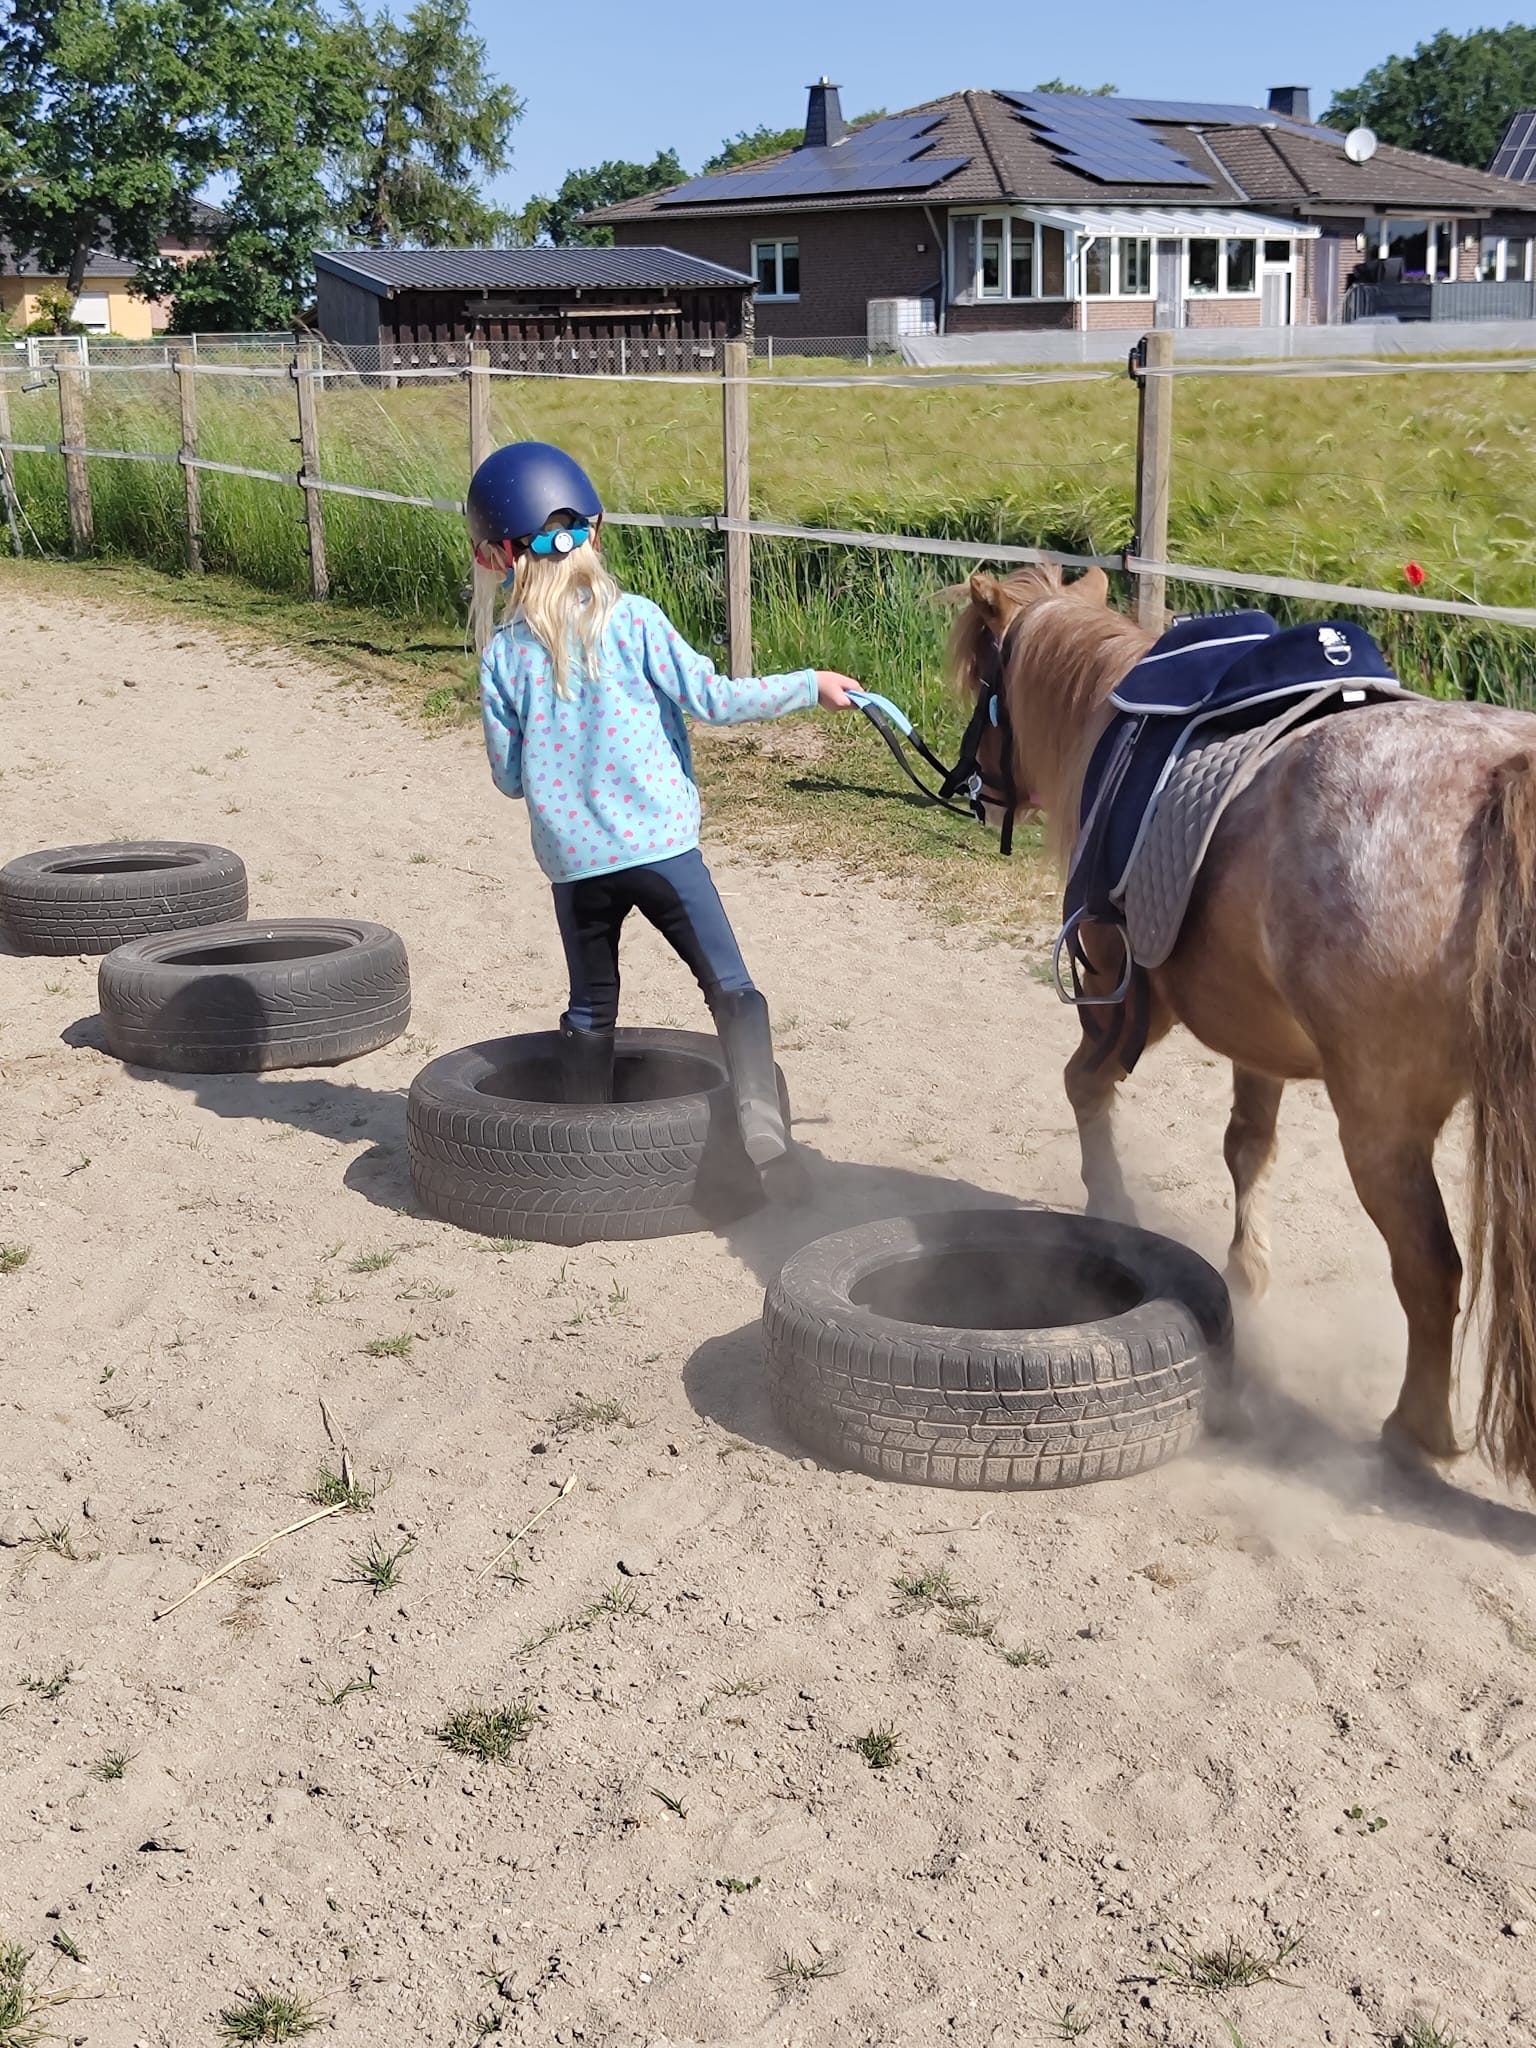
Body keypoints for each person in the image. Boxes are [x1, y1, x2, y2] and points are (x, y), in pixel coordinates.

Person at [469, 439, 861, 1178]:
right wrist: (811, 683)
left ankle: (583, 1154)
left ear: (495, 559)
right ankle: (760, 1121)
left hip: (576, 865)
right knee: (731, 986)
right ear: (598, 526)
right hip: (662, 849)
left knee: (591, 1007)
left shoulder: (500, 657)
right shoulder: (636, 621)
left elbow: (510, 779)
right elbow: (714, 700)